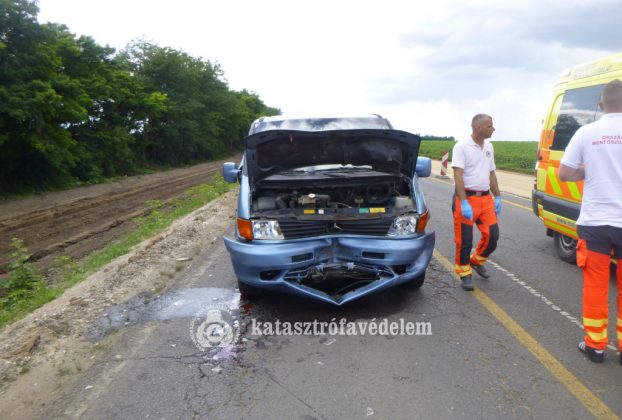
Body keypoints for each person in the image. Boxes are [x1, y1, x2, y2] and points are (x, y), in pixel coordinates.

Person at [559, 79, 622, 365]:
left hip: (596, 223)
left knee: (596, 285)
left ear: (600, 105)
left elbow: (564, 174)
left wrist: (588, 169)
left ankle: (595, 345)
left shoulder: (587, 132)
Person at [451, 114, 502, 291]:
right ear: (479, 128)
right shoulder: (462, 146)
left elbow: (491, 173)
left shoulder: (489, 146)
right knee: (464, 240)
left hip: (486, 199)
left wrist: (498, 196)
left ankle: (476, 261)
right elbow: (457, 174)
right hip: (466, 199)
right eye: (490, 126)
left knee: (493, 236)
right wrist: (463, 202)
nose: (493, 128)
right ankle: (464, 272)